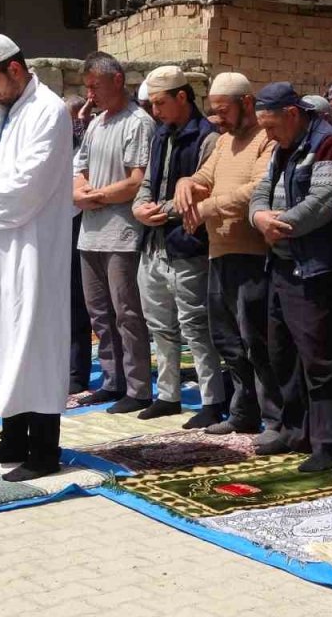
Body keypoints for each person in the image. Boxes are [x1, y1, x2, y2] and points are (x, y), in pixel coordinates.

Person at [0, 34, 74, 481]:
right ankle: (11, 442)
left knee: (34, 343)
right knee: (4, 339)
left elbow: (28, 186)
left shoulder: (48, 111)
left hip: (33, 249)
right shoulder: (2, 116)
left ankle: (43, 453)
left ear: (15, 69)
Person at [249, 82, 332, 473]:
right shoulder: (284, 146)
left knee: (318, 358)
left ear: (292, 114)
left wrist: (281, 225)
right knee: (282, 352)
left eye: (271, 126)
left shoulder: (329, 143)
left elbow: (324, 200)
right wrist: (260, 218)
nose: (267, 135)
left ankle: (327, 443)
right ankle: (296, 430)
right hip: (280, 263)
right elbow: (260, 193)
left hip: (312, 266)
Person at [174, 72, 280, 436]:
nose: (217, 118)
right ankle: (242, 412)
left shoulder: (267, 140)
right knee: (227, 339)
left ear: (246, 103)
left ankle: (274, 418)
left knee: (256, 340)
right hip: (219, 252)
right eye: (213, 111)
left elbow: (256, 189)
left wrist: (207, 208)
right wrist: (185, 184)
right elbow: (203, 177)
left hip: (251, 254)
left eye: (223, 110)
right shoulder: (221, 142)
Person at [130, 65, 224, 419]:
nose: (155, 111)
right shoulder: (160, 134)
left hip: (188, 245)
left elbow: (202, 191)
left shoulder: (207, 137)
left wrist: (161, 210)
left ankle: (212, 400)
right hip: (154, 244)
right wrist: (140, 208)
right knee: (159, 325)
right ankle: (168, 395)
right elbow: (147, 183)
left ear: (181, 97)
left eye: (160, 103)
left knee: (195, 326)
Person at [73, 52, 157, 413]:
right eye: (87, 87)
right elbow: (81, 168)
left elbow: (137, 180)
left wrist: (98, 196)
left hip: (122, 233)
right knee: (99, 313)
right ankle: (112, 379)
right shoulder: (96, 124)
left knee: (127, 313)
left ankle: (138, 387)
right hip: (90, 232)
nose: (90, 94)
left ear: (117, 80)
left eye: (95, 86)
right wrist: (80, 192)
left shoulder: (137, 122)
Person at [64, 94, 93, 396]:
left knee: (76, 304)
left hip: (77, 226)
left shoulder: (84, 142)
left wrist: (81, 125)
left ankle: (76, 373)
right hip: (53, 228)